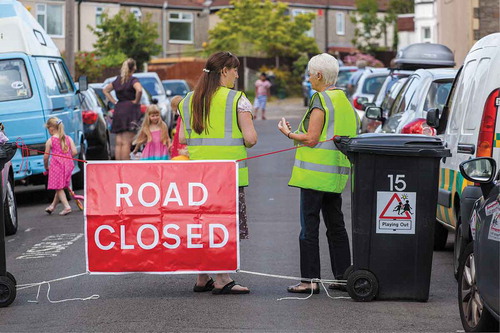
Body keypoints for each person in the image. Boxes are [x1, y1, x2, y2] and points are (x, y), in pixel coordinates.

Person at [277, 53, 359, 293]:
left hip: (314, 175)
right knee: (336, 226)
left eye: (310, 74)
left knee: (309, 227)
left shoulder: (320, 100)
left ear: (320, 75)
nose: (309, 78)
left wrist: (288, 133)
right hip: (336, 173)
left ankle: (309, 280)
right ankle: (343, 276)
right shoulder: (344, 100)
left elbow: (312, 138)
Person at [178, 51, 257, 294]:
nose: (236, 74)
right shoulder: (237, 100)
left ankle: (202, 277)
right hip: (227, 178)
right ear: (224, 71)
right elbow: (250, 139)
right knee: (223, 227)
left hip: (198, 177)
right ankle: (222, 278)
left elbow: (182, 138)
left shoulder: (188, 100)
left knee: (203, 226)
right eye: (234, 70)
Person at [103, 58, 143, 160]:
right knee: (126, 142)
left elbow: (105, 90)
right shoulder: (133, 80)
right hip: (130, 110)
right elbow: (139, 90)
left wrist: (113, 101)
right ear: (134, 67)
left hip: (119, 109)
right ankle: (125, 165)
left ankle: (118, 165)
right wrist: (136, 101)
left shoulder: (117, 80)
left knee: (119, 142)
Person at [43, 117, 78, 216]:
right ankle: (52, 206)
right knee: (60, 186)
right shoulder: (68, 138)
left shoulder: (50, 140)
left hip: (56, 166)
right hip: (68, 165)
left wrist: (46, 166)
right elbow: (75, 152)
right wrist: (66, 158)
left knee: (58, 187)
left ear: (51, 129)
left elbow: (46, 157)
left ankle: (67, 207)